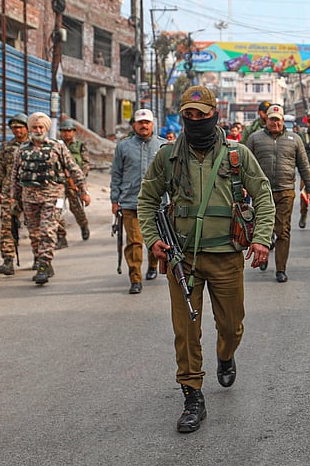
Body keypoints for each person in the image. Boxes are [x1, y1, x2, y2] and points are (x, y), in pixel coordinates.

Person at [137, 86, 276, 433]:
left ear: (215, 114)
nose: (195, 120)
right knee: (186, 332)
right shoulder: (167, 156)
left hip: (227, 256)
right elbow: (147, 200)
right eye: (189, 114)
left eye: (201, 114)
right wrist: (153, 240)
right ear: (182, 116)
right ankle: (192, 394)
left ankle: (225, 354)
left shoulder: (237, 154)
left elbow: (263, 197)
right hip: (182, 258)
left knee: (231, 325)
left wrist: (260, 239)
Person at [10, 112, 91, 285]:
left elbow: (73, 168)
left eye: (41, 127)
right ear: (30, 129)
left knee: (48, 230)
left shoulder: (57, 147)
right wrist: (14, 199)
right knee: (34, 234)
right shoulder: (22, 150)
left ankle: (43, 265)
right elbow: (15, 176)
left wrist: (83, 190)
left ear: (46, 128)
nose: (38, 130)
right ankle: (41, 260)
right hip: (29, 198)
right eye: (34, 127)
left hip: (52, 196)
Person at [245, 104, 310, 282]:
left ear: (283, 121)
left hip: (286, 191)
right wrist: (242, 187)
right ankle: (263, 254)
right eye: (272, 119)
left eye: (278, 120)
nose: (275, 123)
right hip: (261, 192)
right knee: (262, 227)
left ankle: (280, 269)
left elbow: (304, 166)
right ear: (266, 120)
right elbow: (244, 166)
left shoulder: (295, 139)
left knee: (283, 231)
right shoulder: (255, 138)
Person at [110, 108, 165, 294]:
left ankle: (153, 264)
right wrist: (114, 199)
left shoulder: (163, 146)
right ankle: (135, 278)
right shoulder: (123, 146)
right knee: (134, 241)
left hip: (157, 204)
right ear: (134, 124)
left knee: (154, 239)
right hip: (130, 203)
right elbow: (116, 174)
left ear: (152, 124)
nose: (144, 125)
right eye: (140, 122)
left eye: (147, 122)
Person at [0, 113, 29, 275]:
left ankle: (40, 259)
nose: (17, 131)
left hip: (30, 191)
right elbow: (1, 171)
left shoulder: (34, 146)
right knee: (7, 225)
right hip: (9, 192)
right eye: (14, 128)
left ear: (27, 128)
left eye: (20, 127)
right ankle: (8, 260)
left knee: (34, 226)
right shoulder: (7, 147)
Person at [57, 119, 91, 243]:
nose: (66, 133)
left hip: (74, 183)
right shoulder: (57, 146)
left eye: (69, 131)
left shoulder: (80, 146)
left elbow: (86, 163)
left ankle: (83, 225)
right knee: (57, 209)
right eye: (64, 131)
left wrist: (79, 179)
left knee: (76, 208)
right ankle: (61, 236)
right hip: (59, 183)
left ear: (73, 132)